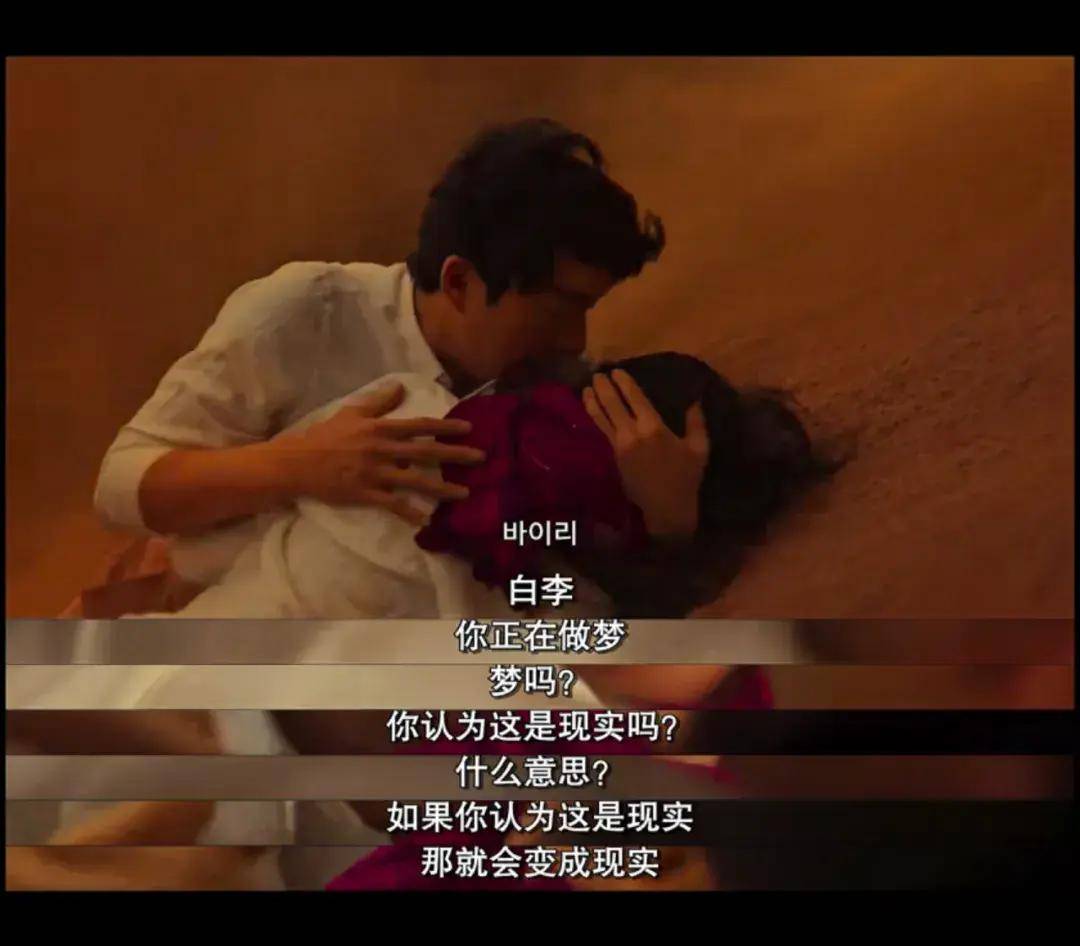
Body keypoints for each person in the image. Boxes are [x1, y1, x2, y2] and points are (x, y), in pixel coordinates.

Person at [92, 118, 667, 541]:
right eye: (557, 310)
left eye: (588, 309)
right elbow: (119, 485)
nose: (574, 341)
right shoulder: (308, 311)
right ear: (460, 281)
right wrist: (297, 467)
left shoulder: (555, 386)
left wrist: (665, 511)